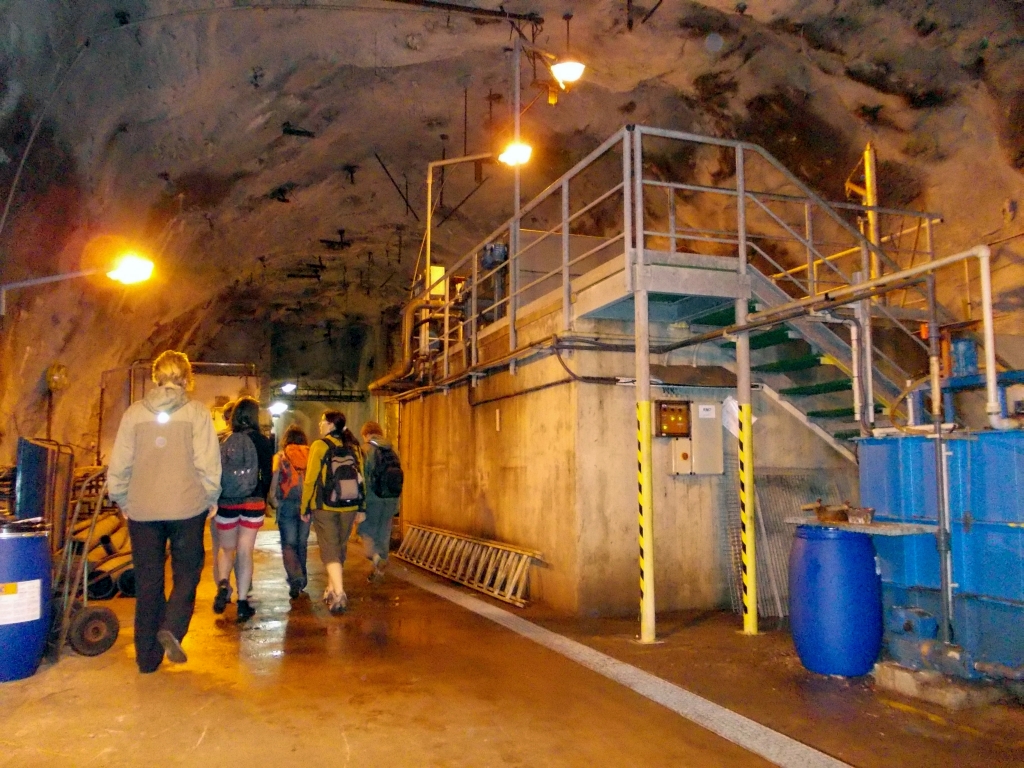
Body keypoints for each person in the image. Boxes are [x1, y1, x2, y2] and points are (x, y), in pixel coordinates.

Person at [107, 351, 221, 673]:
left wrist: (122, 499)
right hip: (186, 509)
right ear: (186, 378)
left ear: (156, 377)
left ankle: (147, 659)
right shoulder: (197, 414)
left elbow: (120, 464)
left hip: (143, 511)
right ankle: (172, 626)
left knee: (148, 582)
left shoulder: (133, 414)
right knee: (187, 572)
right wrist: (211, 495)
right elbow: (207, 462)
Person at [212, 396, 274, 622]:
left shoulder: (223, 440)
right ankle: (242, 603)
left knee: (226, 549)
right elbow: (267, 474)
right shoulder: (263, 441)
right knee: (245, 551)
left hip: (226, 501)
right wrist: (264, 498)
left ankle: (223, 585)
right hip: (253, 501)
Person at [300, 411, 364, 615]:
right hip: (350, 505)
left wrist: (305, 506)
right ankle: (330, 587)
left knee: (329, 550)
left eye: (322, 422)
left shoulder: (320, 446)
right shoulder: (353, 446)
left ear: (330, 425)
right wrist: (362, 507)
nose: (320, 425)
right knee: (339, 547)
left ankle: (339, 592)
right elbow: (361, 478)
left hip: (325, 506)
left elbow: (310, 479)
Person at [268, 424, 311, 599]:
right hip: (306, 504)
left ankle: (295, 578)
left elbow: (275, 477)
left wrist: (273, 499)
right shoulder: (311, 454)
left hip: (286, 503)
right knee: (302, 542)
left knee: (288, 543)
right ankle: (302, 578)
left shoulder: (280, 456)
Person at [357, 421, 401, 583]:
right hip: (391, 499)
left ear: (367, 434)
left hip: (372, 499)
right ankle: (379, 572)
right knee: (383, 534)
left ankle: (376, 558)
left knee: (366, 530)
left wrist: (359, 503)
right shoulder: (392, 450)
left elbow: (360, 478)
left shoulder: (365, 450)